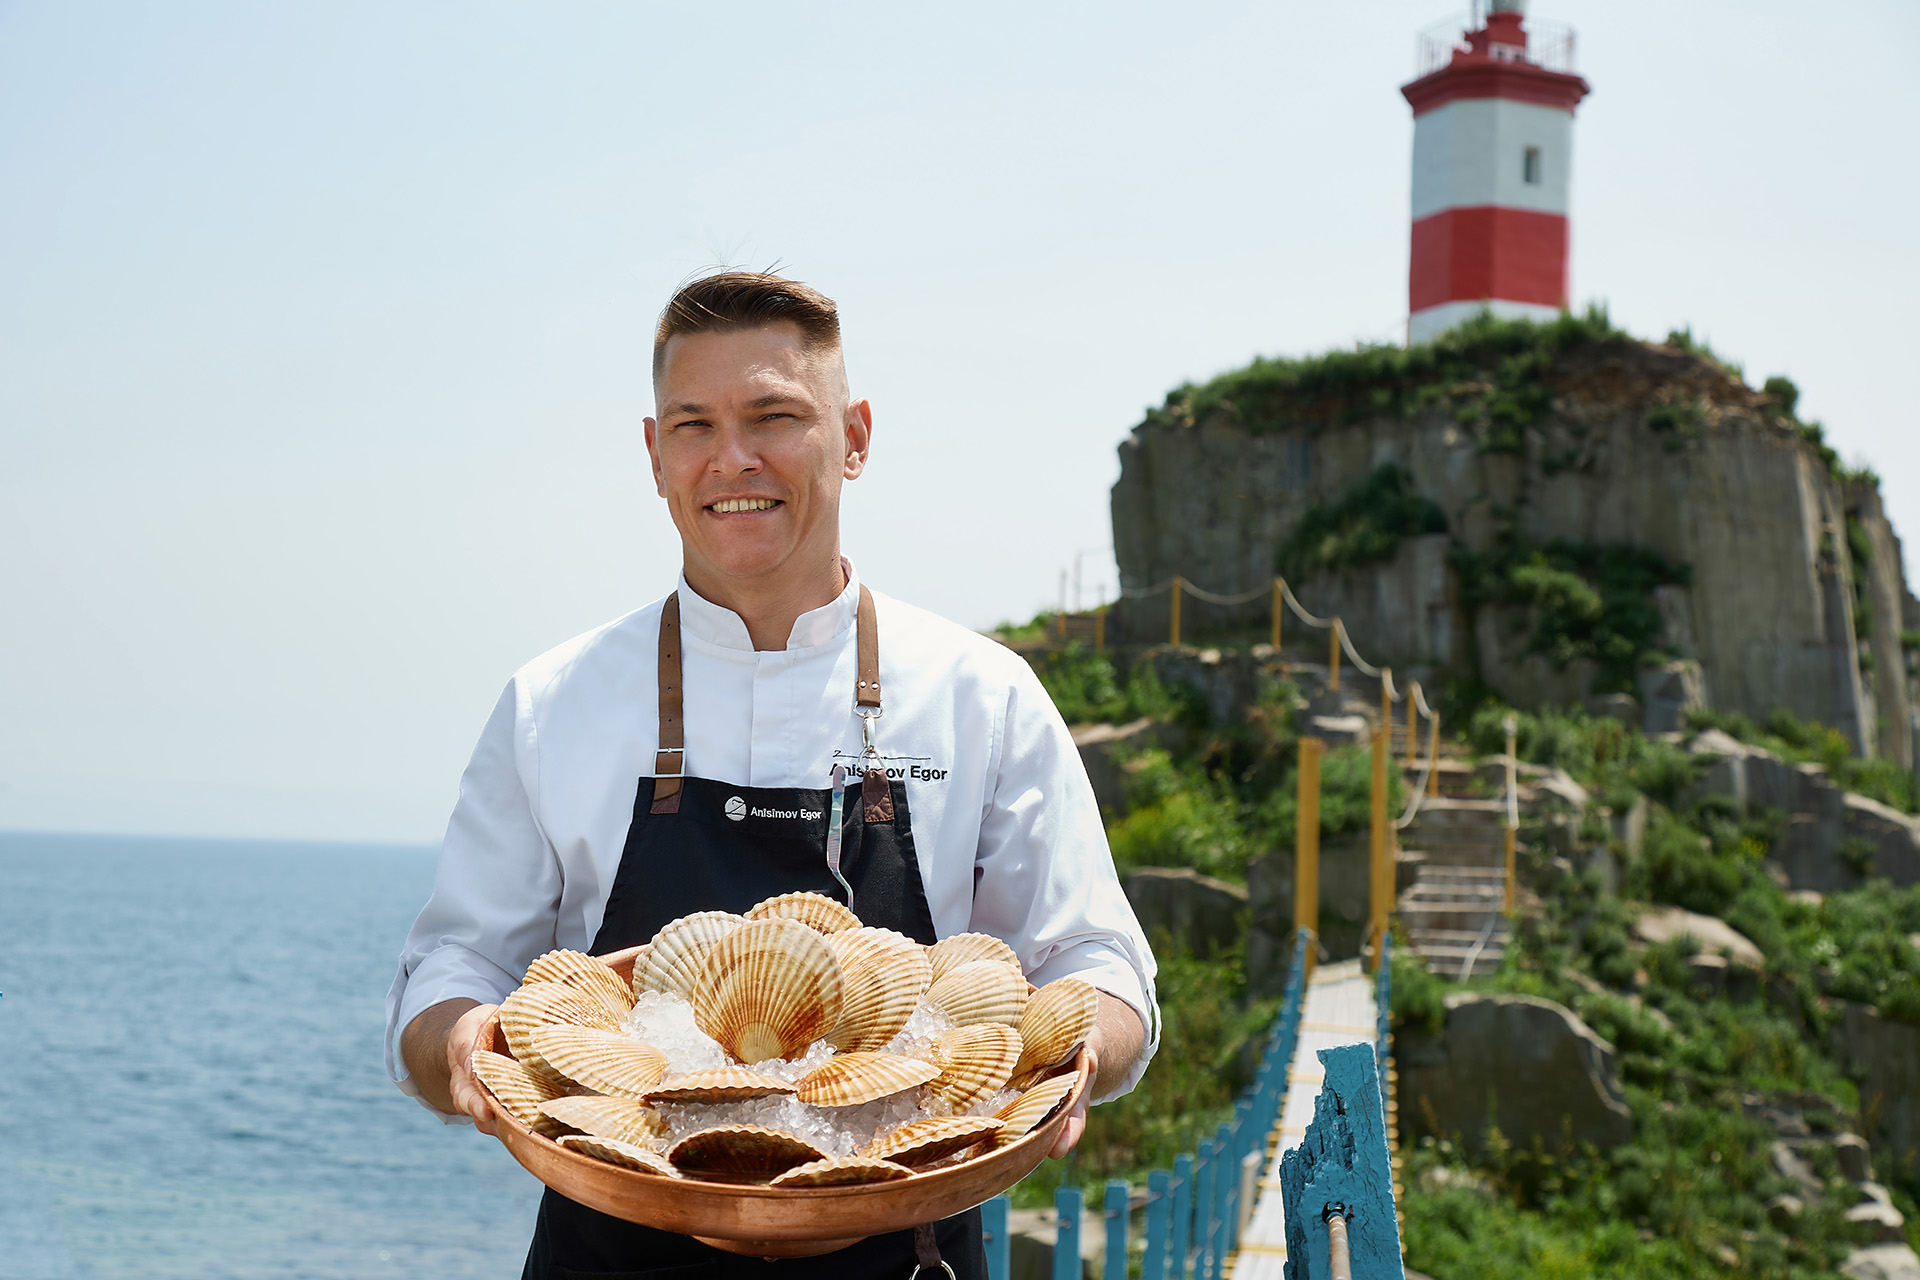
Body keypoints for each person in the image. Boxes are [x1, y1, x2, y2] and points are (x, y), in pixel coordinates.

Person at [384, 271, 1159, 1280]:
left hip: (909, 1253)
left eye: (775, 415)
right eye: (694, 423)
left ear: (857, 435)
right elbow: (450, 972)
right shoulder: (550, 704)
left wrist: (1076, 1048)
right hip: (609, 1250)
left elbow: (1098, 959)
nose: (733, 458)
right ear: (655, 453)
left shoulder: (983, 695)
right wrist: (461, 1043)